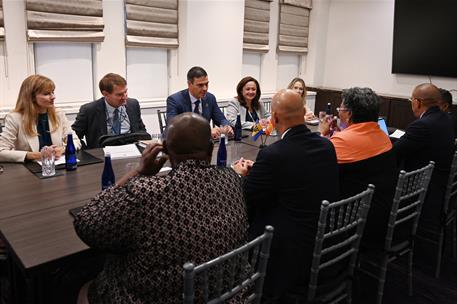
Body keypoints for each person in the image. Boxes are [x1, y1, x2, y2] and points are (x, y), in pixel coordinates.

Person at [74, 113, 247, 304]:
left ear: (165, 151)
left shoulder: (146, 191)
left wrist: (138, 171)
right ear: (211, 148)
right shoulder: (231, 179)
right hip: (225, 293)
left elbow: (86, 223)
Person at [233, 89, 339, 303]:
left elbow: (248, 196)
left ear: (275, 118)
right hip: (322, 231)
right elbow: (295, 174)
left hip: (284, 246)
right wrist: (262, 171)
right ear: (303, 114)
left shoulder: (273, 154)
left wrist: (240, 175)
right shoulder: (326, 145)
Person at [319, 87, 397, 250]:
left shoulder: (341, 142)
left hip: (347, 221)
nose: (339, 112)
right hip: (381, 212)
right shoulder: (383, 135)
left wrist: (323, 134)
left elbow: (315, 163)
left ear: (348, 113)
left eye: (340, 109)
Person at [393, 83, 455, 236]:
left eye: (411, 100)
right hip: (440, 181)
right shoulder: (446, 119)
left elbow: (394, 154)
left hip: (423, 188)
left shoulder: (422, 125)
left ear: (417, 102)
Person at [0, 74, 80, 163]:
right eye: (46, 94)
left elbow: (75, 141)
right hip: (30, 171)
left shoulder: (58, 114)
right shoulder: (15, 118)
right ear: (32, 97)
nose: (53, 97)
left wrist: (63, 149)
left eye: (53, 92)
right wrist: (35, 155)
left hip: (58, 166)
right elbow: (1, 151)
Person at [72, 73, 147, 149]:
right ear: (105, 94)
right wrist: (88, 153)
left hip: (132, 151)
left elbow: (142, 132)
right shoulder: (89, 110)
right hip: (103, 154)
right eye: (119, 94)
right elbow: (74, 137)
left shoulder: (133, 104)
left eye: (125, 92)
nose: (125, 97)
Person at [166, 66, 233, 139]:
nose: (205, 88)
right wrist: (206, 132)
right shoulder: (175, 100)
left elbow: (221, 119)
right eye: (200, 85)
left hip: (203, 144)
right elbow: (173, 128)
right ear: (189, 84)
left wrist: (227, 126)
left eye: (206, 84)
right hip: (181, 143)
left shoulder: (210, 98)